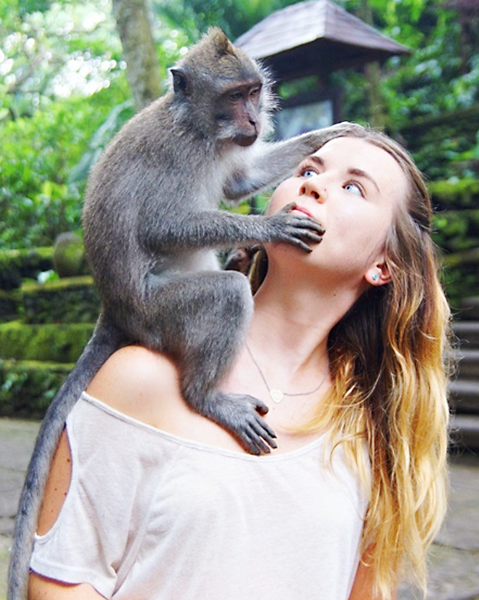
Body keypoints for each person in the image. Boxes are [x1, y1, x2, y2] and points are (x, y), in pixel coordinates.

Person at [26, 127, 451, 600]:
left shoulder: (367, 424)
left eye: (353, 187)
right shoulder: (141, 378)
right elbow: (59, 583)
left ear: (384, 265)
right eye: (307, 170)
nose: (312, 184)